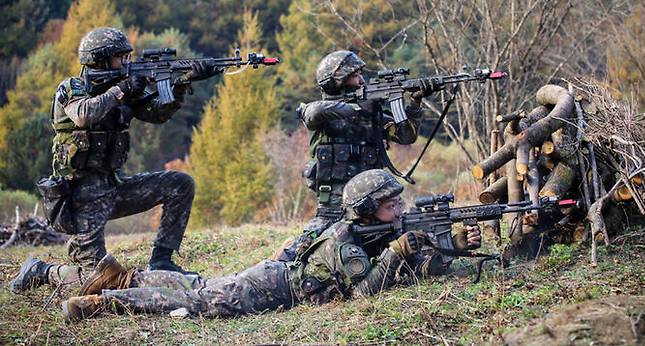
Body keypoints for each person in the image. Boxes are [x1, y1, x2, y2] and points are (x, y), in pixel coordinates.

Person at [61, 169, 481, 322]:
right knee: (198, 303)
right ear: (369, 210)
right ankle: (110, 300)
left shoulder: (373, 229)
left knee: (201, 286)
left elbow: (412, 269)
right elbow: (365, 291)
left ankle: (124, 276)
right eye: (392, 205)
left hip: (277, 274)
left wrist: (454, 245)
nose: (400, 210)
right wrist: (397, 253)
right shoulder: (347, 242)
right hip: (271, 287)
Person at [11, 27, 215, 294]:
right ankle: (42, 271)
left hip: (114, 188)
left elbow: (156, 114)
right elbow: (83, 114)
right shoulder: (73, 87)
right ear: (100, 59)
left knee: (180, 184)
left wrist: (180, 85)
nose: (126, 63)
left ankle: (162, 261)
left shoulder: (124, 87)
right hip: (81, 198)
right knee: (98, 280)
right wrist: (122, 89)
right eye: (121, 57)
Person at [274, 50, 432, 261]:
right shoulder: (320, 114)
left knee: (412, 246)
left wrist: (415, 104)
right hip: (333, 209)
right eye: (356, 76)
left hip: (372, 209)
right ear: (336, 82)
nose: (361, 81)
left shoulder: (372, 118)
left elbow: (406, 136)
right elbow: (311, 113)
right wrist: (357, 107)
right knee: (300, 254)